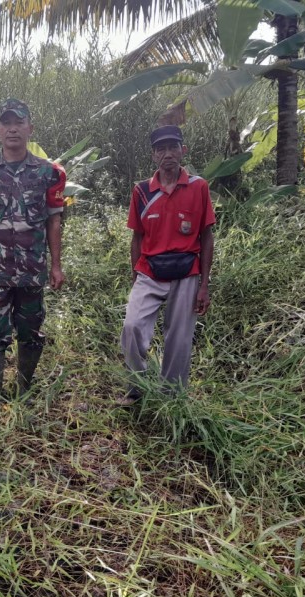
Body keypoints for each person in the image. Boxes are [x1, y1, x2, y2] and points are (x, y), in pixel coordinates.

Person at [0, 98, 66, 420]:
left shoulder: (49, 173)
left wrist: (56, 265)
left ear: (29, 129)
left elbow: (54, 221)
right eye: (6, 123)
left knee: (31, 330)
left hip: (32, 269)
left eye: (19, 123)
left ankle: (24, 391)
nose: (12, 128)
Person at [119, 125, 215, 402]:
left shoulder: (198, 187)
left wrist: (204, 285)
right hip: (149, 271)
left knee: (179, 340)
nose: (168, 154)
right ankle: (137, 388)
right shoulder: (141, 192)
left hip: (187, 272)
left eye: (173, 147)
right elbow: (137, 237)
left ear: (183, 150)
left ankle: (172, 397)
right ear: (153, 156)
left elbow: (206, 236)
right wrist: (135, 276)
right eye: (161, 149)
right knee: (132, 327)